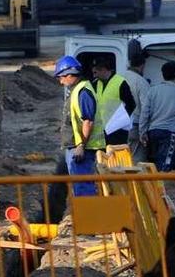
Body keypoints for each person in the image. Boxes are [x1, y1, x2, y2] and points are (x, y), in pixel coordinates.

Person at [55, 56, 105, 196]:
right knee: (79, 185)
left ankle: (88, 216)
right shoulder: (77, 90)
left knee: (83, 186)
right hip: (76, 146)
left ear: (70, 75)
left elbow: (87, 121)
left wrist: (81, 145)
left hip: (82, 148)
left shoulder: (83, 92)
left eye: (61, 77)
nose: (60, 81)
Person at [139, 61, 175, 172]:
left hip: (153, 132)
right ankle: (162, 188)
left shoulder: (153, 90)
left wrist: (142, 132)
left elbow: (145, 112)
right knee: (164, 166)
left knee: (165, 162)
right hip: (169, 133)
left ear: (162, 74)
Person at [92, 56, 136, 147]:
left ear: (104, 69)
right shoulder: (96, 83)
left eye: (96, 72)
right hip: (101, 130)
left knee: (116, 157)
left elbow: (131, 104)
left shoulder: (120, 83)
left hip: (117, 130)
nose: (94, 75)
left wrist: (121, 121)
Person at [121, 54, 150, 162]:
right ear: (142, 66)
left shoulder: (118, 77)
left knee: (121, 159)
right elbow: (146, 109)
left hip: (117, 126)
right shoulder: (141, 82)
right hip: (134, 126)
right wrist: (143, 132)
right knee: (137, 161)